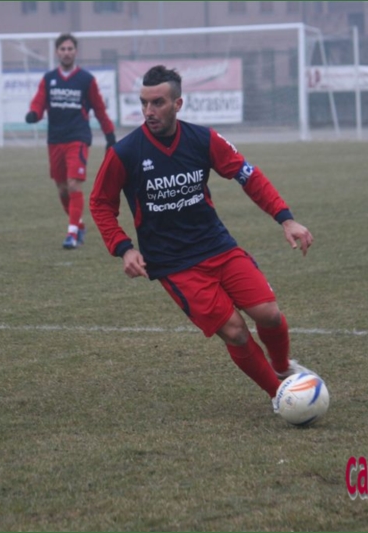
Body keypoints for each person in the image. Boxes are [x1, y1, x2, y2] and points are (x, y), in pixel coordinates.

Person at [90, 65, 315, 413]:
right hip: (175, 264)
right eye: (144, 103)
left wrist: (285, 219)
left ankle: (283, 367)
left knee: (269, 314)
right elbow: (100, 203)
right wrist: (124, 248)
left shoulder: (202, 139)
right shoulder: (126, 152)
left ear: (178, 104)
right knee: (236, 332)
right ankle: (281, 395)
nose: (149, 111)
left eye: (158, 103)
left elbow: (248, 176)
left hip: (218, 247)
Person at [25, 33, 117, 250]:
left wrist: (110, 135)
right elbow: (39, 102)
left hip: (78, 137)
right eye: (63, 49)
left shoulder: (86, 80)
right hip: (55, 139)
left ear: (75, 52)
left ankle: (72, 233)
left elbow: (99, 109)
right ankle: (79, 225)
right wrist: (34, 114)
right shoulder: (49, 79)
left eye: (70, 49)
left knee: (74, 183)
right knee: (62, 188)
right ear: (57, 52)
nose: (66, 53)